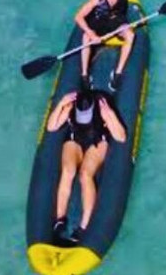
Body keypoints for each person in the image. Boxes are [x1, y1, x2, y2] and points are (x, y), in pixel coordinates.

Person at [46, 89, 127, 244]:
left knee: (85, 175)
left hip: (97, 140)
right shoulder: (72, 105)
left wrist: (110, 115)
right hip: (75, 138)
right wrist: (61, 104)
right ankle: (59, 219)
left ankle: (84, 225)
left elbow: (121, 137)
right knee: (68, 171)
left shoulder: (102, 108)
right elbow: (51, 127)